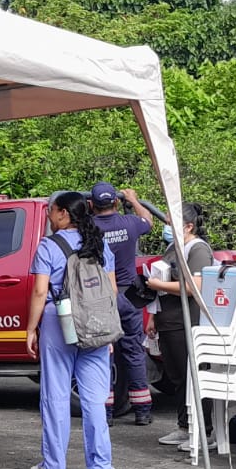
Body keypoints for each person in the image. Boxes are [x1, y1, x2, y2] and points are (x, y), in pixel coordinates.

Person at [25, 191, 118, 469]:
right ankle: (101, 468)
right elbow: (112, 291)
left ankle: (54, 467)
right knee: (94, 398)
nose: (49, 217)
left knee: (56, 395)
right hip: (95, 321)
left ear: (63, 213)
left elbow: (40, 291)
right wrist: (107, 331)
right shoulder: (99, 243)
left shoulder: (48, 246)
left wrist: (31, 328)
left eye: (51, 211)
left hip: (59, 320)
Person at [146, 204, 216, 450]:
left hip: (187, 321)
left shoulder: (197, 249)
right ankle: (184, 426)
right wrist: (153, 316)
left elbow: (194, 287)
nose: (166, 228)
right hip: (167, 320)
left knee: (192, 376)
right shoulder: (172, 247)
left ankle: (205, 430)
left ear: (188, 226)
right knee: (177, 378)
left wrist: (158, 286)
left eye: (170, 223)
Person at [88, 181, 154, 425]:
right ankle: (142, 411)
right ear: (116, 202)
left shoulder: (89, 228)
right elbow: (149, 221)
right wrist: (134, 199)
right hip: (128, 296)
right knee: (134, 352)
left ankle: (106, 414)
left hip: (101, 297)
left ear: (91, 204)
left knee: (102, 354)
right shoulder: (129, 223)